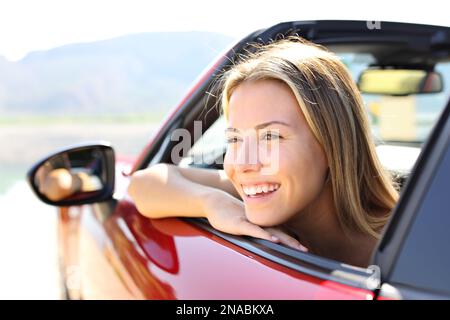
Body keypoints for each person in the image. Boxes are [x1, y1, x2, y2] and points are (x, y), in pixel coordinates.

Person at [128, 37, 399, 268]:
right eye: (234, 139)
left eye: (270, 136)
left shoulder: (412, 245)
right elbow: (144, 184)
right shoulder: (254, 189)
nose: (244, 164)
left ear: (332, 146)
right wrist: (214, 204)